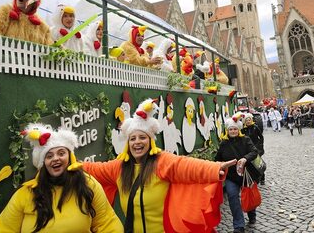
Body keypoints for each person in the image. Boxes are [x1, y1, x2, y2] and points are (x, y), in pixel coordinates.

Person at [83, 99, 235, 232]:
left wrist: (216, 168)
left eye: (142, 137)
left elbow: (187, 166)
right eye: (132, 138)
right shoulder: (119, 167)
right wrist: (68, 162)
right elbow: (94, 169)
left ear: (150, 141)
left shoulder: (161, 162)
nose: (137, 142)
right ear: (127, 143)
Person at [0, 124, 122, 232]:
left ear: (70, 157)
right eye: (49, 156)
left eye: (61, 153)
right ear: (43, 163)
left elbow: (107, 224)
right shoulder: (25, 194)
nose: (55, 158)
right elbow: (3, 229)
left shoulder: (88, 185)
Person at [215, 113, 260, 233]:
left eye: (235, 129)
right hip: (231, 177)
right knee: (232, 196)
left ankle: (252, 213)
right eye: (231, 129)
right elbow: (217, 159)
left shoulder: (245, 139)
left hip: (246, 175)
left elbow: (254, 151)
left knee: (249, 195)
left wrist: (245, 158)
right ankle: (239, 225)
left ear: (238, 129)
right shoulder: (224, 143)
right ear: (227, 130)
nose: (233, 131)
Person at [242, 112, 265, 184]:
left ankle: (262, 178)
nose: (248, 121)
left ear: (251, 120)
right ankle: (254, 178)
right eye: (246, 120)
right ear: (244, 122)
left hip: (257, 148)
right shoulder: (243, 130)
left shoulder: (255, 127)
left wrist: (259, 146)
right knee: (251, 164)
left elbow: (261, 137)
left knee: (258, 164)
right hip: (248, 149)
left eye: (249, 120)